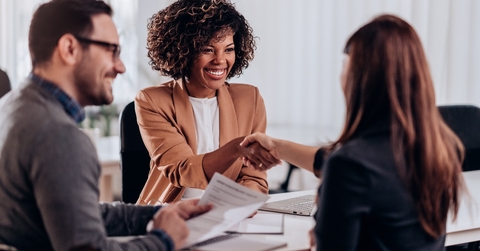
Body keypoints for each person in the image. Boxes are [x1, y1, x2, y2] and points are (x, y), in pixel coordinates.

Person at [241, 14, 465, 250]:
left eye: (346, 66)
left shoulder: (350, 165)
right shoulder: (435, 150)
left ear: (361, 80)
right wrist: (277, 146)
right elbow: (338, 162)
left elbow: (347, 168)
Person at [0, 1, 212, 250]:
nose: (120, 67)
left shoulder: (13, 105)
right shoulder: (58, 135)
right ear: (69, 49)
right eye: (112, 51)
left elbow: (75, 213)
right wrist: (164, 240)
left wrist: (157, 213)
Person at [135, 0, 279, 205]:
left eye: (228, 49)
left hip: (227, 215)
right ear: (183, 51)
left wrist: (242, 205)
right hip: (170, 213)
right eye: (208, 49)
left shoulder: (250, 99)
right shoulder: (152, 101)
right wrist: (236, 148)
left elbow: (254, 176)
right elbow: (182, 169)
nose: (220, 60)